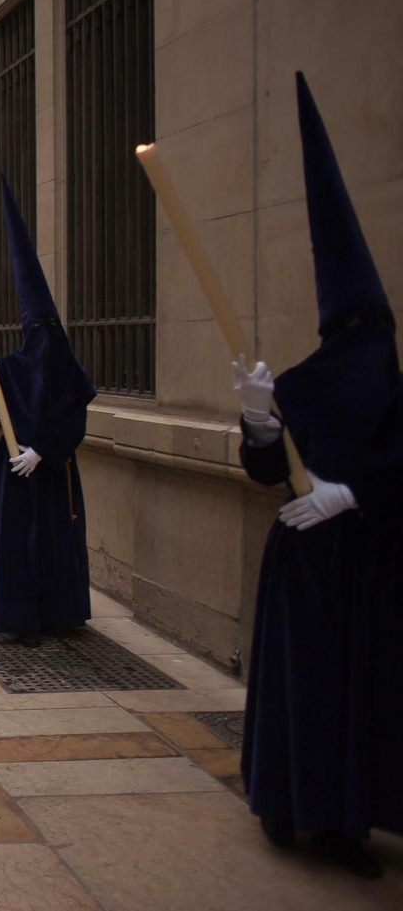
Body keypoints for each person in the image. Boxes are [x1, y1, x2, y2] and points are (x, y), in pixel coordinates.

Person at [233, 74, 402, 879]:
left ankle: (347, 820)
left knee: (355, 698)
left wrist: (357, 493)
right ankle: (284, 799)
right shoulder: (306, 380)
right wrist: (260, 417)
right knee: (304, 692)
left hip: (366, 573)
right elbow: (267, 468)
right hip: (305, 574)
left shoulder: (390, 386)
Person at [0, 177, 96, 646]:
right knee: (18, 544)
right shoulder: (12, 367)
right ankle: (21, 617)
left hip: (52, 471)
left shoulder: (67, 370)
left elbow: (75, 420)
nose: (43, 334)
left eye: (49, 326)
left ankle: (62, 611)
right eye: (35, 326)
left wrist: (45, 450)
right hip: (14, 472)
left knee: (59, 542)